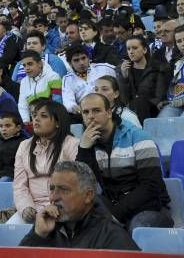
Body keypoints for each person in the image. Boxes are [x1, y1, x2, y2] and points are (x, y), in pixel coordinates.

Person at [76, 93, 172, 231]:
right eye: (85, 112)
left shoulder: (138, 136)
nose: (90, 116)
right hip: (112, 207)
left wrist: (115, 214)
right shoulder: (88, 141)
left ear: (109, 113)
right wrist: (83, 149)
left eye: (96, 110)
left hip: (148, 208)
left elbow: (152, 185)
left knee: (136, 226)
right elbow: (81, 184)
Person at [19, 161, 139, 250]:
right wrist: (38, 235)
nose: (53, 197)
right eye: (52, 189)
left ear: (88, 196)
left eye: (63, 189)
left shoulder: (111, 235)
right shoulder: (44, 226)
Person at [10, 100, 79, 225]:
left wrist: (58, 206)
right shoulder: (24, 146)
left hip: (61, 208)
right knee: (10, 229)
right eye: (35, 115)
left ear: (58, 122)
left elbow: (77, 182)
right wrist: (26, 208)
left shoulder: (71, 143)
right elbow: (20, 185)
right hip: (32, 207)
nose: (36, 119)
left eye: (43, 116)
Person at [117, 36, 169, 122]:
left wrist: (141, 102)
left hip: (153, 108)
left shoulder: (158, 68)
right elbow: (124, 100)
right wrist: (124, 78)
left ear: (145, 50)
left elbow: (160, 96)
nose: (131, 52)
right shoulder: (123, 69)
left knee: (140, 102)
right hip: (132, 110)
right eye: (128, 49)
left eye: (135, 48)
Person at [61, 44, 116, 118]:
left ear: (88, 58)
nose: (81, 63)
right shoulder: (68, 79)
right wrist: (83, 111)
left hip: (111, 110)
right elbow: (68, 103)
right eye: (76, 60)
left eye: (83, 58)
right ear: (70, 63)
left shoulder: (103, 68)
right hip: (86, 116)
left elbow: (120, 73)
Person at [17, 51, 63, 124]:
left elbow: (58, 102)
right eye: (24, 65)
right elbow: (22, 105)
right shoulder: (23, 82)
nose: (27, 68)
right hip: (34, 121)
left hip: (52, 119)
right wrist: (25, 121)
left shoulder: (53, 77)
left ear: (40, 64)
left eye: (30, 64)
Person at [157, 24, 184, 118]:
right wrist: (168, 99)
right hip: (177, 103)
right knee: (162, 123)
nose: (182, 44)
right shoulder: (178, 63)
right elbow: (176, 86)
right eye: (179, 41)